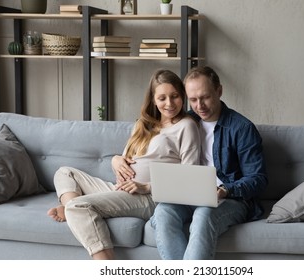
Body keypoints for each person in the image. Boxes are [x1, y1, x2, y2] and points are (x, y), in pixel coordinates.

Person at [47, 69, 201, 260]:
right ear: (153, 99)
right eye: (162, 98)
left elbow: (191, 178)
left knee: (79, 207)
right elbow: (127, 160)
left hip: (149, 197)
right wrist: (115, 160)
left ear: (183, 96)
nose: (169, 103)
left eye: (175, 96)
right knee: (64, 173)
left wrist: (147, 187)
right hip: (119, 188)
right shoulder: (143, 125)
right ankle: (71, 208)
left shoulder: (186, 126)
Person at [150, 66, 268, 259]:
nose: (199, 106)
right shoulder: (185, 121)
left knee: (204, 215)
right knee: (163, 212)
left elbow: (259, 178)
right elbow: (145, 141)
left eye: (205, 97)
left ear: (219, 91)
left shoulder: (242, 128)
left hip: (230, 199)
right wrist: (117, 159)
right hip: (189, 195)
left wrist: (226, 190)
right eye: (193, 100)